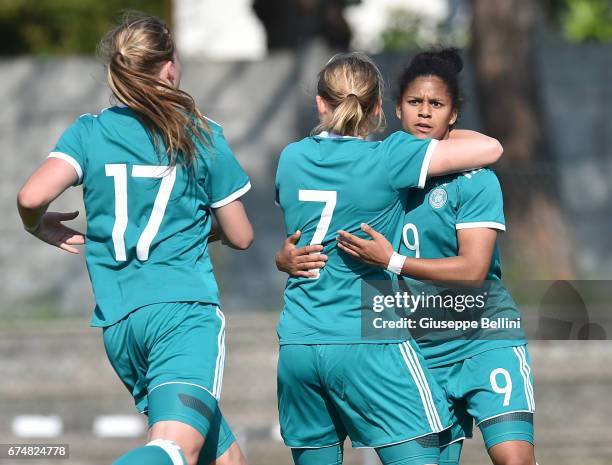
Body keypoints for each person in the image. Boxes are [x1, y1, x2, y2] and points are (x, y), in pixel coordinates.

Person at [281, 49, 537, 465]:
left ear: (454, 114)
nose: (424, 113)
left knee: (514, 459)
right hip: (418, 345)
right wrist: (285, 258)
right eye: (415, 103)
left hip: (480, 335)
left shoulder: (474, 180)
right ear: (393, 109)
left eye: (437, 105)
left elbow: (473, 270)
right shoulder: (383, 170)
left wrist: (393, 261)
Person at [17, 14, 252, 465]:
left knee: (225, 459)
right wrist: (196, 229)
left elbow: (31, 196)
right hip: (181, 314)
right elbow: (241, 235)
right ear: (169, 67)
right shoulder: (199, 132)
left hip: (121, 323)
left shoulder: (90, 131)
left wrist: (37, 225)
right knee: (175, 448)